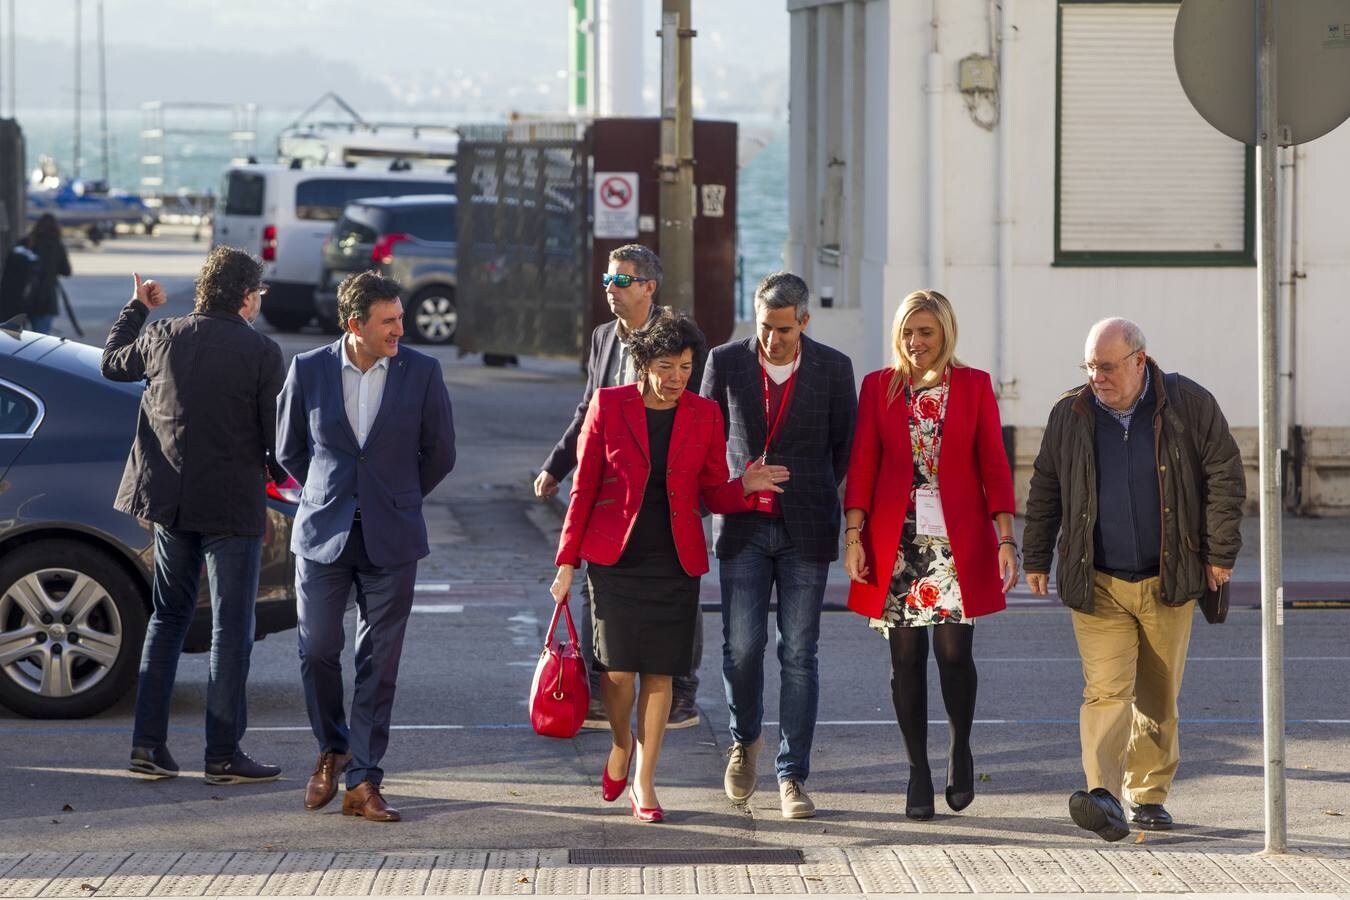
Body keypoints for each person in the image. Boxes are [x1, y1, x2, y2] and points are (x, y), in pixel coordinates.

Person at [549, 314, 786, 823]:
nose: (678, 376)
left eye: (685, 366)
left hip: (675, 560)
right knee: (616, 672)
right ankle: (618, 744)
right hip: (616, 559)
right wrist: (567, 561)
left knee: (660, 672)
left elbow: (710, 492)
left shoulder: (704, 414)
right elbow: (583, 489)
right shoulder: (609, 406)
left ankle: (645, 778)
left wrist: (745, 486)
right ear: (642, 363)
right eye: (666, 365)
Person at [1023, 317, 1244, 842]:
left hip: (1169, 575)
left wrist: (1220, 552)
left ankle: (1147, 794)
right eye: (1090, 366)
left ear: (1139, 360)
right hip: (1096, 578)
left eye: (1107, 366)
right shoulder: (1070, 413)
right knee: (1105, 692)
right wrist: (1036, 556)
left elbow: (1225, 475)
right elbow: (1046, 485)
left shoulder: (1189, 404)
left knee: (1158, 694)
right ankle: (1103, 797)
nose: (1097, 376)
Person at [100, 247, 285, 784]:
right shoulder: (261, 352)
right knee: (231, 629)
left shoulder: (162, 336)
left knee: (168, 619)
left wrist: (137, 308)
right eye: (259, 293)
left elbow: (111, 364)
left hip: (169, 505)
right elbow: (276, 441)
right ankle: (223, 755)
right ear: (247, 297)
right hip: (230, 506)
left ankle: (148, 747)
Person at [276, 271, 455, 822]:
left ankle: (364, 780)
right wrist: (333, 492)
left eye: (401, 318)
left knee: (379, 665)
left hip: (392, 535)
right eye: (390, 321)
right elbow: (289, 450)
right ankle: (332, 747)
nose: (401, 328)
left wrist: (395, 497)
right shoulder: (308, 369)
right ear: (356, 325)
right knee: (318, 650)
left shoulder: (422, 372)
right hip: (323, 533)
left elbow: (440, 453)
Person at [841, 289, 1017, 820]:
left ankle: (959, 746)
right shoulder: (878, 387)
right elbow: (863, 464)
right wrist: (853, 537)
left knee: (954, 654)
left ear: (945, 334)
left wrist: (1006, 537)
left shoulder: (974, 385)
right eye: (908, 332)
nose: (916, 343)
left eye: (926, 332)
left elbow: (994, 464)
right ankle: (917, 768)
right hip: (897, 543)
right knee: (906, 659)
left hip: (957, 544)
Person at [700, 272, 857, 819]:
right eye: (766, 327)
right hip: (742, 526)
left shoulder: (834, 368)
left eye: (785, 330)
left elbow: (844, 449)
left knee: (798, 654)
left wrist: (804, 488)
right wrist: (740, 483)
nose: (773, 340)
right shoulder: (725, 361)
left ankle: (792, 776)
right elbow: (704, 436)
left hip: (804, 528)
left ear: (804, 322)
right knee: (741, 647)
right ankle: (745, 741)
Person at [535, 243, 707, 731]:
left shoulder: (677, 336)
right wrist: (557, 465)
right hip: (611, 491)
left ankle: (681, 692)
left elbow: (695, 410)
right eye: (608, 281)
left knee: (677, 593)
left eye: (622, 281)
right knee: (598, 588)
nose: (611, 289)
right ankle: (597, 684)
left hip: (668, 493)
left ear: (649, 286)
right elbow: (588, 410)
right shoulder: (603, 337)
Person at [7, 214, 71, 333]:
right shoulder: (56, 245)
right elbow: (66, 271)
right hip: (46, 300)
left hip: (22, 300)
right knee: (42, 341)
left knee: (19, 340)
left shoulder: (26, 242)